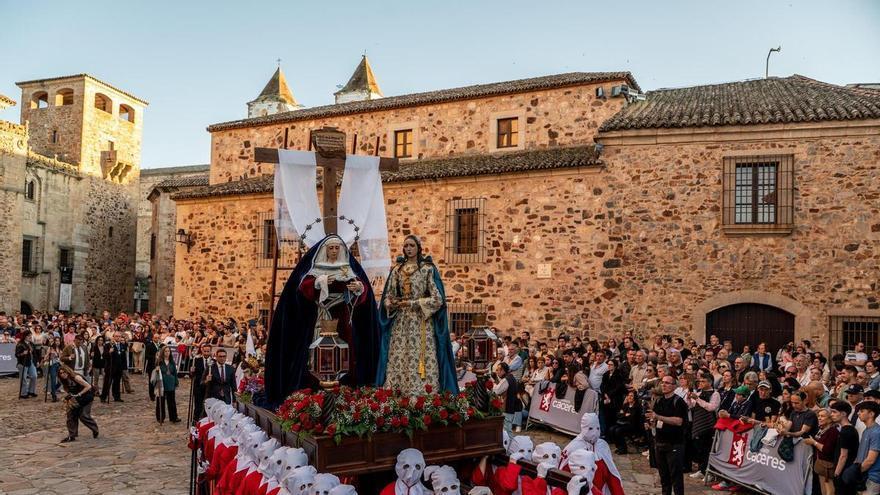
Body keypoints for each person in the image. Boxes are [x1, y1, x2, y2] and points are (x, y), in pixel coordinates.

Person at [266, 234, 381, 404]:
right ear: (325, 250)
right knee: (319, 349)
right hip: (322, 316)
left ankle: (343, 389)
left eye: (337, 248)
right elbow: (303, 288)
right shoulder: (316, 268)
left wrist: (359, 288)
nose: (334, 251)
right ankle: (316, 389)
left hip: (342, 318)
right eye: (331, 248)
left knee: (344, 352)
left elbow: (363, 298)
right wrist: (320, 281)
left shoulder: (348, 269)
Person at [377, 235, 458, 395]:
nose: (408, 249)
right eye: (406, 245)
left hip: (421, 322)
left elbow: (438, 299)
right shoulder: (397, 270)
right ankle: (397, 394)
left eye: (412, 245)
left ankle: (422, 396)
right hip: (400, 323)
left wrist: (414, 303)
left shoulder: (427, 269)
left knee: (419, 357)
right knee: (399, 356)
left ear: (418, 248)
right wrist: (390, 302)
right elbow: (388, 295)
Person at [647, 375, 688, 495]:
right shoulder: (659, 401)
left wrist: (658, 417)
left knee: (676, 477)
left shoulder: (678, 401)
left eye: (667, 383)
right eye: (662, 382)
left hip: (674, 443)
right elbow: (656, 420)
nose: (663, 385)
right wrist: (651, 424)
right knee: (664, 477)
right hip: (660, 442)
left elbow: (679, 421)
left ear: (674, 386)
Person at [687, 372, 719, 479]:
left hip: (709, 425)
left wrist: (697, 399)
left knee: (707, 449)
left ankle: (709, 473)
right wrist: (689, 399)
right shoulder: (699, 393)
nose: (700, 383)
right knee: (699, 448)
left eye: (703, 381)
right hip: (698, 423)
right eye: (700, 381)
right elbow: (691, 406)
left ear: (710, 382)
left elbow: (711, 407)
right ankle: (701, 470)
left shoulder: (715, 394)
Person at [57, 364, 99, 443]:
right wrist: (69, 397)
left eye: (64, 372)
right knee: (71, 415)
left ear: (68, 371)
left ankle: (95, 429)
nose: (62, 374)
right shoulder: (64, 381)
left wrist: (79, 394)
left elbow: (88, 386)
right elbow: (70, 391)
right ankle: (72, 435)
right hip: (77, 398)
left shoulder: (76, 377)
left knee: (83, 415)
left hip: (87, 397)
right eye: (61, 373)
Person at [804, 408, 840, 495]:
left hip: (828, 465)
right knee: (823, 489)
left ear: (830, 419)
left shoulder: (833, 431)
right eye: (819, 416)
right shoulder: (822, 429)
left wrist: (814, 442)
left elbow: (826, 449)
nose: (819, 418)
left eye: (822, 416)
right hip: (821, 464)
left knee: (829, 490)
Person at [831, 401, 860, 495]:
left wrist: (836, 474)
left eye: (834, 412)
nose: (831, 414)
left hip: (844, 474)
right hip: (847, 472)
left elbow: (843, 456)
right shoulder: (848, 429)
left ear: (843, 414)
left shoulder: (846, 431)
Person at [855, 402, 880, 494]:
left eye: (862, 411)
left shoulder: (876, 432)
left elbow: (870, 460)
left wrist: (855, 472)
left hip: (872, 477)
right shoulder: (866, 430)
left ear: (871, 414)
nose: (858, 413)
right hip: (863, 475)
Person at [153, 346, 181, 423]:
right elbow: (155, 372)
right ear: (163, 352)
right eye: (165, 351)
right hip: (162, 383)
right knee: (160, 401)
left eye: (168, 351)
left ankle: (173, 417)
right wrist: (157, 370)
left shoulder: (172, 362)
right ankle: (160, 417)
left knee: (171, 401)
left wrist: (176, 382)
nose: (167, 353)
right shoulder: (159, 362)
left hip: (171, 383)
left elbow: (175, 373)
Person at [492, 362, 519, 438]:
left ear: (503, 370)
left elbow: (497, 391)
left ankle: (510, 444)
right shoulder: (511, 377)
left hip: (507, 407)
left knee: (507, 431)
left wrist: (493, 384)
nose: (497, 372)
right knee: (507, 429)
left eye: (498, 370)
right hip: (510, 406)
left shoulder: (506, 379)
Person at [190, 343, 212, 420]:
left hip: (209, 387)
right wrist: (191, 371)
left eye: (208, 351)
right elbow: (191, 376)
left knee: (208, 405)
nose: (206, 353)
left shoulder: (214, 362)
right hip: (198, 387)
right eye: (204, 351)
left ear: (210, 351)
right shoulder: (196, 361)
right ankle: (196, 420)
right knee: (198, 405)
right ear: (202, 351)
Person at [15, 329, 37, 399]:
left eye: (31, 335)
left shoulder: (31, 344)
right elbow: (17, 355)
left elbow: (34, 353)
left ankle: (31, 391)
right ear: (25, 336)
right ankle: (23, 393)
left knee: (34, 376)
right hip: (22, 363)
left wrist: (36, 361)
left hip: (31, 362)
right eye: (28, 336)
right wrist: (23, 353)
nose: (30, 337)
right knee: (23, 379)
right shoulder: (20, 344)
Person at [104, 331, 126, 402]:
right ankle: (104, 397)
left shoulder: (122, 345)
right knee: (107, 383)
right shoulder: (108, 345)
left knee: (117, 383)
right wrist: (109, 352)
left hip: (119, 368)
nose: (118, 338)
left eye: (119, 336)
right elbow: (105, 356)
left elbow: (124, 357)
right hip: (110, 367)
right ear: (113, 337)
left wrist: (124, 367)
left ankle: (117, 397)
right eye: (116, 336)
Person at [144, 332, 160, 399]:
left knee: (159, 380)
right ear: (153, 338)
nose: (157, 339)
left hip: (159, 365)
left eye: (158, 338)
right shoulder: (149, 345)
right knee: (152, 380)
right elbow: (147, 356)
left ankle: (158, 393)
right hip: (151, 366)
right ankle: (152, 395)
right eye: (155, 338)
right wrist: (155, 357)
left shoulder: (160, 345)